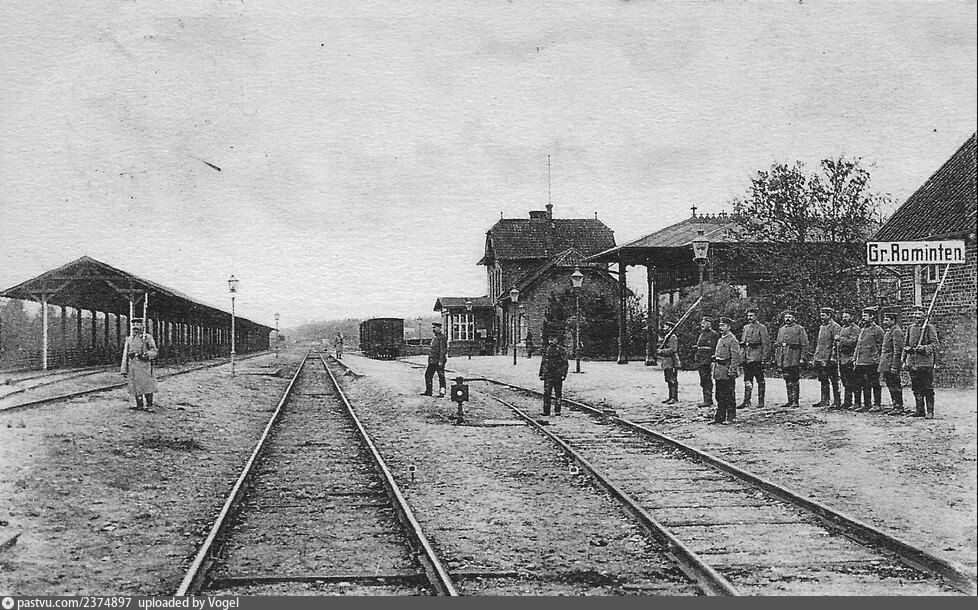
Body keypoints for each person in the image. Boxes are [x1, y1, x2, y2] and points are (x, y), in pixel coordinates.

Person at [903, 305, 939, 419]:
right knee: (916, 387)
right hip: (912, 363)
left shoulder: (929, 328)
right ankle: (919, 410)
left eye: (919, 313)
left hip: (925, 363)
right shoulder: (910, 328)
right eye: (915, 313)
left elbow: (935, 344)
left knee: (927, 387)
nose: (916, 315)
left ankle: (930, 411)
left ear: (925, 315)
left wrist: (924, 348)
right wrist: (904, 359)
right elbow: (905, 345)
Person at [120, 318, 158, 411]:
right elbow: (125, 354)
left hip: (144, 365)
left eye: (138, 324)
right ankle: (139, 404)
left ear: (142, 326)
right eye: (133, 325)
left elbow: (154, 350)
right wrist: (124, 369)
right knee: (135, 385)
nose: (135, 327)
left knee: (147, 384)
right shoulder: (129, 339)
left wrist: (147, 355)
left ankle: (149, 404)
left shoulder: (147, 337)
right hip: (133, 366)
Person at [710, 317, 743, 424]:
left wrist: (732, 370)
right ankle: (719, 417)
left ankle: (731, 417)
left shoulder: (732, 340)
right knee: (719, 395)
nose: (720, 328)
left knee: (729, 395)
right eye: (720, 325)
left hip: (727, 370)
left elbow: (736, 357)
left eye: (723, 326)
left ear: (728, 327)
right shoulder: (721, 339)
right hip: (719, 370)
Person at [774, 309, 809, 408]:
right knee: (787, 378)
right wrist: (778, 358)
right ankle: (789, 400)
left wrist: (803, 357)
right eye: (786, 317)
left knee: (794, 379)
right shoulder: (781, 330)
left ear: (794, 318)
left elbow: (804, 344)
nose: (787, 319)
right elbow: (778, 345)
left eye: (790, 317)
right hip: (784, 357)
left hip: (794, 357)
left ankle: (795, 401)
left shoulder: (799, 329)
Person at [853, 306, 885, 412]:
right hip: (861, 361)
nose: (863, 318)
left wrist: (877, 358)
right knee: (864, 384)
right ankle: (867, 404)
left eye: (866, 316)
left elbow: (881, 345)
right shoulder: (862, 330)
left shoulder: (877, 330)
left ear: (872, 317)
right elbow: (858, 346)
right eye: (863, 316)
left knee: (874, 383)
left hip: (872, 362)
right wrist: (855, 358)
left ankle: (877, 404)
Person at [739, 306, 770, 409]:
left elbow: (766, 343)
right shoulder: (746, 327)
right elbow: (743, 343)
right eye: (748, 316)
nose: (749, 318)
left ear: (756, 316)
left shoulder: (761, 327)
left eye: (751, 316)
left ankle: (761, 401)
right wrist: (742, 356)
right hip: (747, 356)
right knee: (747, 379)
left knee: (760, 379)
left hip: (757, 356)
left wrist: (764, 357)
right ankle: (746, 401)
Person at [811, 307, 842, 409]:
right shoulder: (822, 327)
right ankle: (825, 400)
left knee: (834, 380)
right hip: (821, 357)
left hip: (830, 358)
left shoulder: (835, 327)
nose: (821, 317)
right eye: (821, 315)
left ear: (829, 315)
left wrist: (833, 357)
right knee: (823, 379)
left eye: (823, 315)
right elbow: (819, 344)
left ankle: (837, 401)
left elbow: (836, 343)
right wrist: (816, 357)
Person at [879, 307, 906, 415]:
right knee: (890, 384)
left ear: (893, 320)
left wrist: (895, 366)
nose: (884, 322)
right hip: (887, 363)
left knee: (895, 385)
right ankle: (895, 405)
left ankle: (899, 406)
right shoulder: (889, 331)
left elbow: (898, 350)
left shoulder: (896, 331)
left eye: (887, 320)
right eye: (884, 319)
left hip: (891, 363)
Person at [835, 309, 861, 410]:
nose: (844, 319)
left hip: (851, 358)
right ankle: (847, 401)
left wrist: (840, 339)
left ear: (852, 317)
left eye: (846, 317)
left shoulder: (855, 329)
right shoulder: (842, 328)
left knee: (854, 381)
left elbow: (853, 342)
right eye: (843, 317)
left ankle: (857, 402)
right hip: (842, 359)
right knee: (845, 381)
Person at [538, 334, 569, 416]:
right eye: (550, 340)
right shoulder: (547, 350)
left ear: (556, 340)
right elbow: (543, 362)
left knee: (558, 394)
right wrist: (541, 373)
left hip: (557, 375)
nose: (551, 341)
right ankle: (546, 411)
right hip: (548, 375)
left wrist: (563, 374)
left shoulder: (561, 350)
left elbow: (565, 364)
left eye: (553, 339)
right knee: (547, 393)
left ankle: (557, 410)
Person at [694, 316, 719, 408]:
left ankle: (708, 400)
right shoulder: (702, 334)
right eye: (702, 323)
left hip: (707, 360)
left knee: (707, 380)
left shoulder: (713, 334)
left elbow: (715, 348)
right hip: (701, 359)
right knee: (703, 380)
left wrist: (712, 360)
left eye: (704, 323)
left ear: (709, 324)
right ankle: (706, 399)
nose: (702, 325)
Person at [420, 321, 448, 397]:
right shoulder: (435, 337)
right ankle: (429, 391)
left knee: (441, 377)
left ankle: (442, 392)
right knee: (428, 375)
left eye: (435, 328)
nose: (433, 329)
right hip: (432, 361)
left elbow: (443, 350)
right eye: (433, 328)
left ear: (439, 328)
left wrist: (441, 361)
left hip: (438, 361)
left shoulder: (441, 337)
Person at [657, 319, 681, 405]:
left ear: (670, 328)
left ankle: (674, 397)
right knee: (668, 379)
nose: (664, 328)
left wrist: (661, 351)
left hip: (672, 361)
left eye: (666, 326)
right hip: (667, 361)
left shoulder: (673, 337)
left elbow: (673, 349)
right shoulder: (667, 336)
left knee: (672, 379)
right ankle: (670, 397)